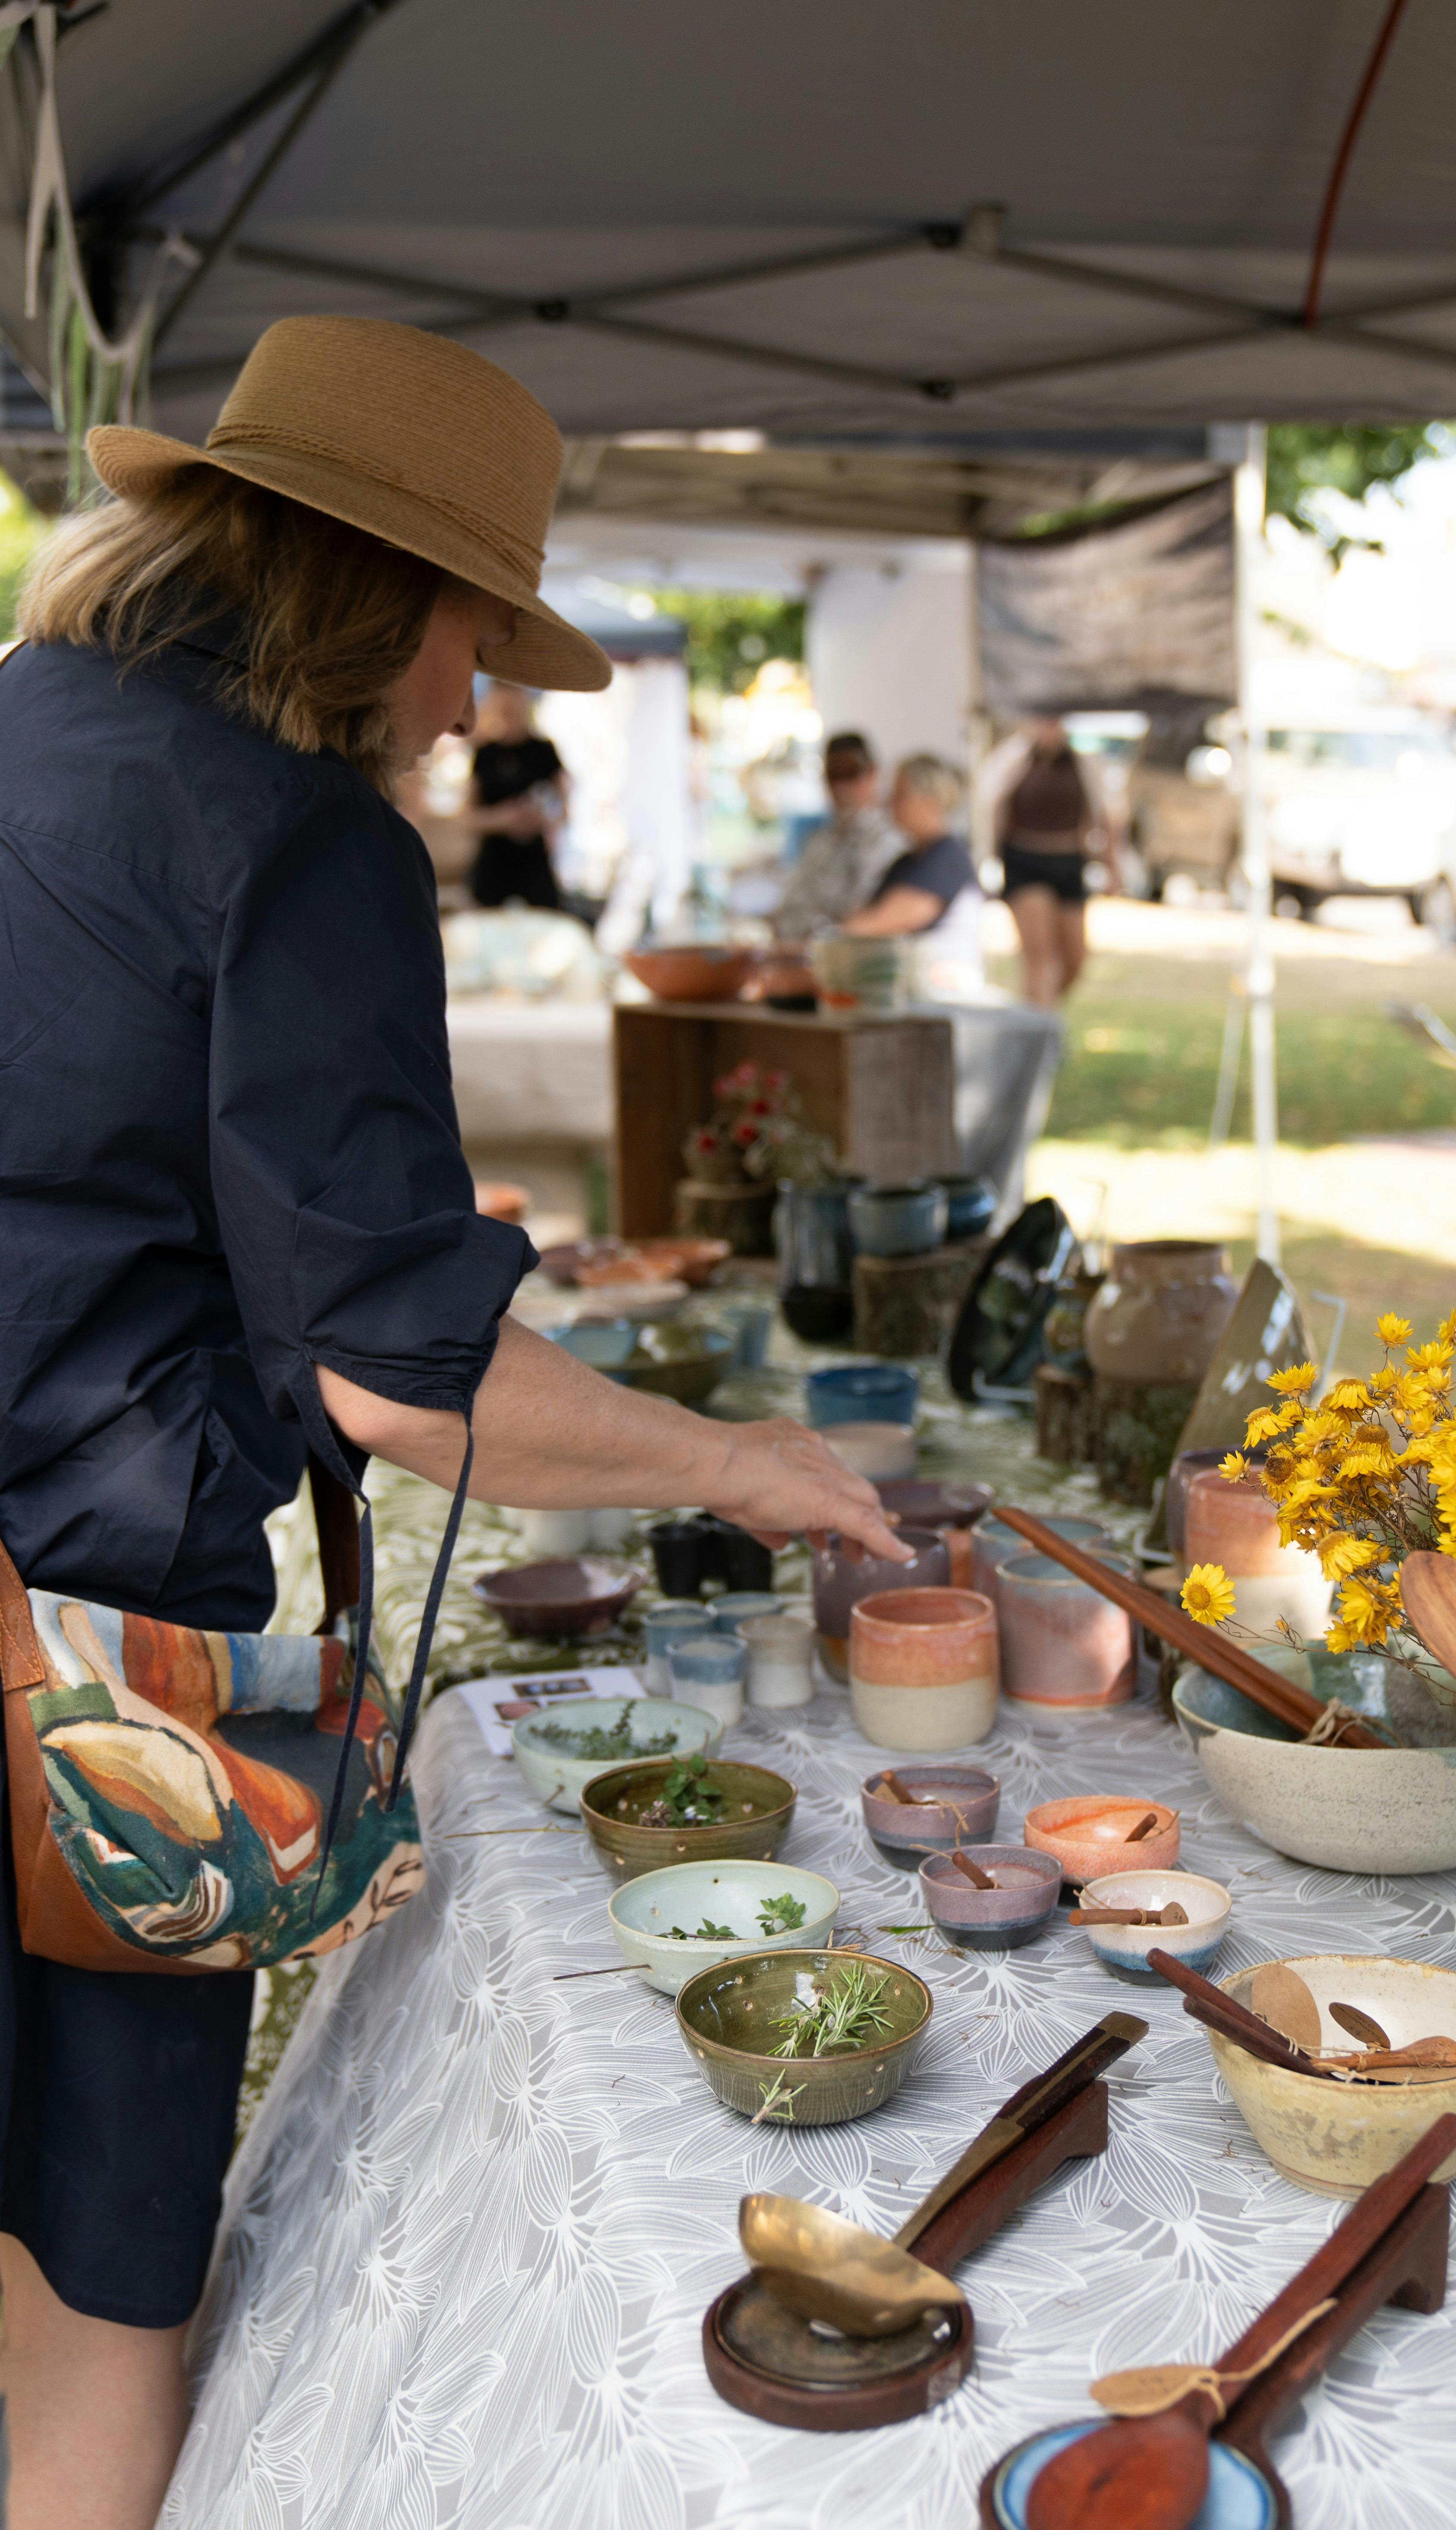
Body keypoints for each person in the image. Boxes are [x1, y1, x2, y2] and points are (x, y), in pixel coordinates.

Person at [0, 314, 902, 2530]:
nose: (472, 699)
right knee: (99, 2306)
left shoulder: (22, 722)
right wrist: (746, 1465)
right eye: (472, 634)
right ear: (373, 591)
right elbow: (402, 1380)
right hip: (84, 1674)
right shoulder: (293, 830)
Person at [987, 714, 1118, 1006]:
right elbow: (992, 808)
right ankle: (1040, 1018)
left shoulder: (1082, 764)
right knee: (1040, 957)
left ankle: (1039, 1014)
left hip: (1069, 862)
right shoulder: (1015, 759)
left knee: (1075, 958)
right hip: (1025, 861)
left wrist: (1112, 868)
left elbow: (1104, 817)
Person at [839, 752, 986, 996]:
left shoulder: (948, 856)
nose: (890, 804)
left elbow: (882, 922)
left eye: (901, 796)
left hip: (945, 994)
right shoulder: (907, 861)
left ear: (931, 801)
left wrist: (829, 936)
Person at [771, 730, 904, 937]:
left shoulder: (892, 839)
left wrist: (823, 928)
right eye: (834, 776)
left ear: (872, 774)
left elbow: (861, 914)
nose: (842, 786)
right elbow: (789, 910)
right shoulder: (819, 841)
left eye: (851, 773)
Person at [466, 680, 567, 909]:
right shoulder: (485, 754)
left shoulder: (544, 752)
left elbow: (563, 808)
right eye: (503, 707)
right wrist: (503, 819)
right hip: (494, 868)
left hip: (535, 866)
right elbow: (468, 818)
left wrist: (541, 819)